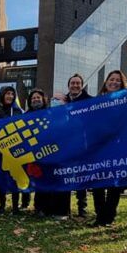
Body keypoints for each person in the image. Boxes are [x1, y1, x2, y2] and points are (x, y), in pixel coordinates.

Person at [92, 70, 127, 226]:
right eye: (111, 79)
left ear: (122, 84)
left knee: (114, 184)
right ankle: (100, 215)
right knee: (97, 183)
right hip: (99, 147)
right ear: (106, 82)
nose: (114, 82)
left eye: (117, 80)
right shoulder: (95, 102)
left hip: (117, 147)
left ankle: (109, 215)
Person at [26, 88, 69, 218]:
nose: (35, 100)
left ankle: (54, 209)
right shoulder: (25, 116)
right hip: (35, 154)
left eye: (38, 97)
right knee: (40, 182)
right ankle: (40, 208)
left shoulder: (50, 113)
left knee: (53, 180)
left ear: (43, 99)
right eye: (33, 98)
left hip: (52, 153)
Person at [54, 73, 92, 217]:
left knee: (81, 176)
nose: (75, 85)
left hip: (83, 144)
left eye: (78, 83)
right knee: (66, 177)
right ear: (68, 86)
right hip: (65, 146)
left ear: (82, 86)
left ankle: (82, 208)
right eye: (72, 83)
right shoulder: (61, 101)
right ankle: (64, 210)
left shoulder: (90, 101)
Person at [0, 85, 27, 214]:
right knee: (2, 177)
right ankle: (2, 205)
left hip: (15, 150)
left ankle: (16, 206)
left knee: (15, 177)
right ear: (2, 95)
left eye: (12, 94)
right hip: (1, 150)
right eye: (7, 94)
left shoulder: (18, 111)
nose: (10, 96)